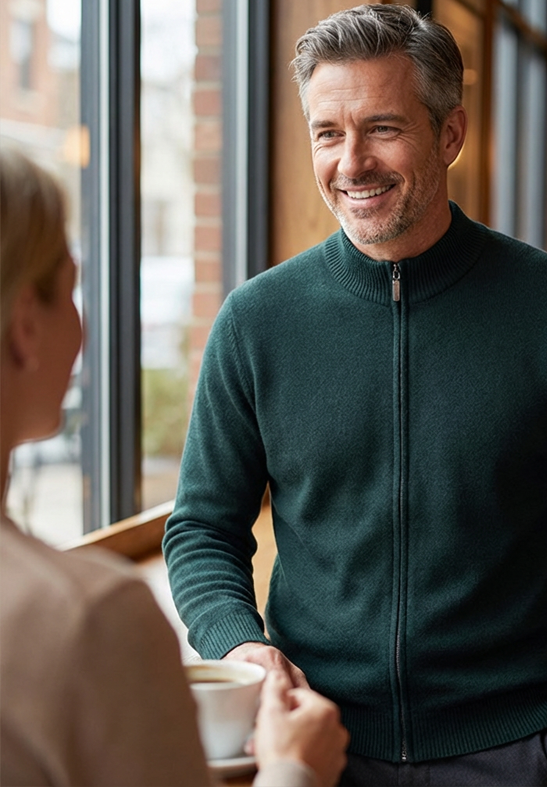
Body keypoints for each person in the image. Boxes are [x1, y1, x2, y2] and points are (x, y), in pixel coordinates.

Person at [163, 2, 547, 786]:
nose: (351, 162)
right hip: (318, 750)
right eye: (328, 133)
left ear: (451, 133)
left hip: (514, 749)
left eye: (383, 128)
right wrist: (238, 644)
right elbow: (199, 529)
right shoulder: (256, 321)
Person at [0, 146, 349, 787]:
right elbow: (202, 528)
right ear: (26, 324)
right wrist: (295, 769)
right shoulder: (93, 621)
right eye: (71, 287)